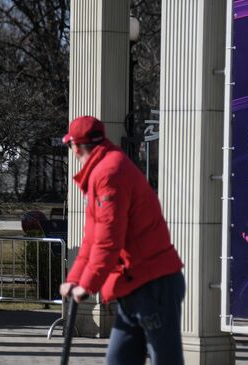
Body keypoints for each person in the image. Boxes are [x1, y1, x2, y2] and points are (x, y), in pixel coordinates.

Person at [59, 116, 185, 365]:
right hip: (133, 286)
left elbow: (108, 240)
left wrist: (88, 285)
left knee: (165, 359)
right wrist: (75, 279)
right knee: (119, 359)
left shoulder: (110, 174)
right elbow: (92, 239)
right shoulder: (103, 170)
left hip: (152, 285)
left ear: (76, 146)